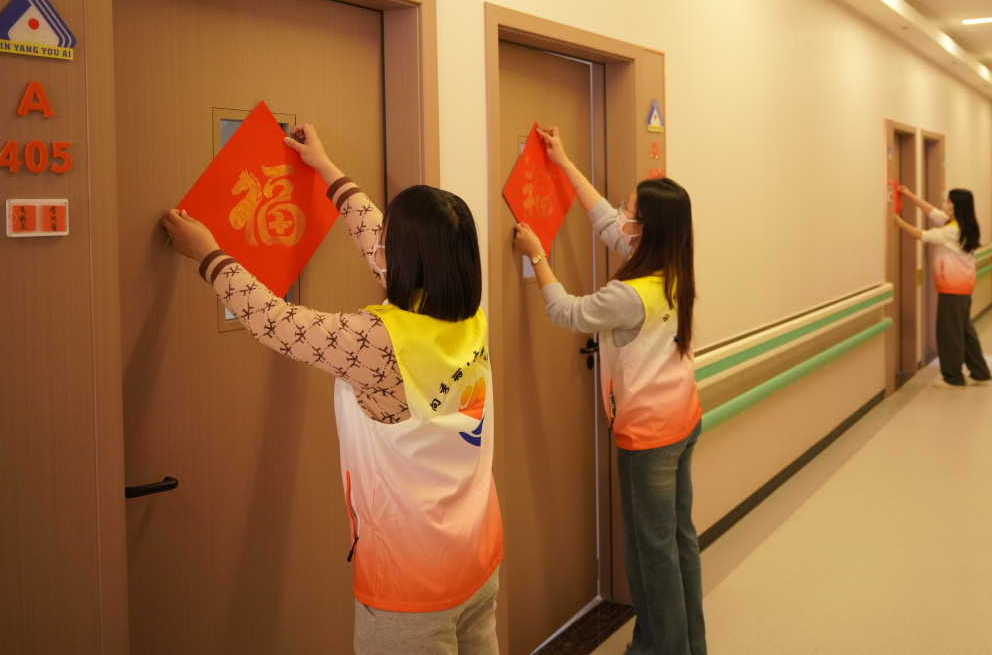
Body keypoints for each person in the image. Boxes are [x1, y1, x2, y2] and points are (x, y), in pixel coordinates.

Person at [161, 124, 503, 654]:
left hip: (411, 585)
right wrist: (324, 167)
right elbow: (378, 241)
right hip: (477, 558)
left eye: (390, 238)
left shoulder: (380, 342)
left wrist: (209, 254)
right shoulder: (466, 316)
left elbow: (276, 322)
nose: (379, 240)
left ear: (407, 258)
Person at [510, 126, 706, 655]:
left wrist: (537, 255)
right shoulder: (674, 266)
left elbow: (567, 311)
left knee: (650, 555)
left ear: (645, 228)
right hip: (684, 421)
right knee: (679, 541)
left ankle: (661, 650)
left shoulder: (628, 294)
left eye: (629, 210)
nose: (621, 214)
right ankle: (688, 645)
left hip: (650, 439)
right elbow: (605, 222)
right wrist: (564, 162)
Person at [894, 186, 992, 389]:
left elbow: (923, 235)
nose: (945, 205)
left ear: (957, 206)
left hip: (952, 288)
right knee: (964, 331)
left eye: (949, 202)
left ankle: (953, 377)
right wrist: (910, 195)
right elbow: (932, 212)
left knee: (949, 333)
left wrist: (896, 220)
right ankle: (980, 373)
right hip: (963, 287)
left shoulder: (952, 230)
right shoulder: (961, 224)